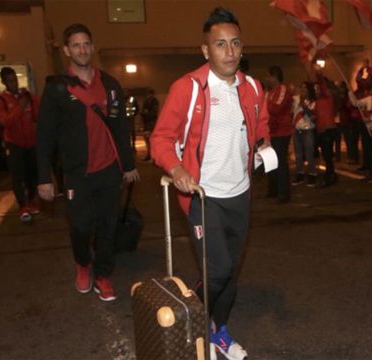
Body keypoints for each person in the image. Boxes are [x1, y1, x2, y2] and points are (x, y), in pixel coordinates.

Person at [150, 8, 269, 359]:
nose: (229, 51)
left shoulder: (252, 87)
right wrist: (175, 168)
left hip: (241, 194)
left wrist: (263, 147)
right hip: (204, 196)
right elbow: (160, 139)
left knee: (230, 272)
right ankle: (191, 325)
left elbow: (260, 128)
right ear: (206, 51)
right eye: (220, 44)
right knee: (216, 272)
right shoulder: (187, 88)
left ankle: (220, 331)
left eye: (235, 43)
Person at [37, 23, 140, 302]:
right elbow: (44, 135)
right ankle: (83, 263)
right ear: (67, 50)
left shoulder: (110, 84)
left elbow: (120, 126)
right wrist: (44, 176)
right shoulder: (57, 89)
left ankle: (103, 275)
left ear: (92, 48)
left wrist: (129, 164)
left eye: (86, 44)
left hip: (109, 171)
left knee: (108, 226)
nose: (82, 49)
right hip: (77, 173)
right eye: (76, 45)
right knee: (81, 226)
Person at [0, 67, 40, 222]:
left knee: (32, 173)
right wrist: (20, 107)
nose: (14, 82)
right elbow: (5, 121)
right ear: (4, 82)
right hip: (14, 143)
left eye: (15, 79)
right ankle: (23, 205)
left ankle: (33, 200)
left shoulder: (28, 96)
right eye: (10, 80)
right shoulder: (0, 101)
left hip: (31, 142)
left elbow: (38, 114)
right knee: (17, 175)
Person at [266, 65, 293, 203]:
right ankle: (273, 190)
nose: (267, 79)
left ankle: (284, 194)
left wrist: (266, 105)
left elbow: (275, 108)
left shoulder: (282, 89)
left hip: (281, 131)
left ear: (274, 76)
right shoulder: (270, 92)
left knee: (281, 163)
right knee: (270, 162)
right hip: (271, 132)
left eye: (268, 76)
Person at [314, 69, 338, 187]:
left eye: (318, 88)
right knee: (326, 155)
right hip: (322, 130)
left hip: (328, 129)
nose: (317, 90)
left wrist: (319, 75)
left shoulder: (327, 97)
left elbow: (322, 85)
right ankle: (331, 174)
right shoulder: (318, 101)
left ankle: (330, 175)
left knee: (328, 155)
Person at [292, 81, 318, 187]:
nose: (303, 90)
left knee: (309, 153)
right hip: (297, 130)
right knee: (298, 154)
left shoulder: (313, 102)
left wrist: (305, 107)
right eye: (301, 88)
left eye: (305, 88)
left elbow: (313, 116)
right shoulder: (296, 99)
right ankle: (300, 173)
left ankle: (312, 174)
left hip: (308, 130)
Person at [140, 89, 159, 161]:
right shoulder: (146, 102)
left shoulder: (154, 102)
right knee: (147, 140)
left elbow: (153, 113)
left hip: (152, 124)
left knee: (152, 140)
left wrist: (146, 113)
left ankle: (154, 156)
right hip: (146, 123)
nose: (148, 96)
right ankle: (149, 154)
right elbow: (143, 111)